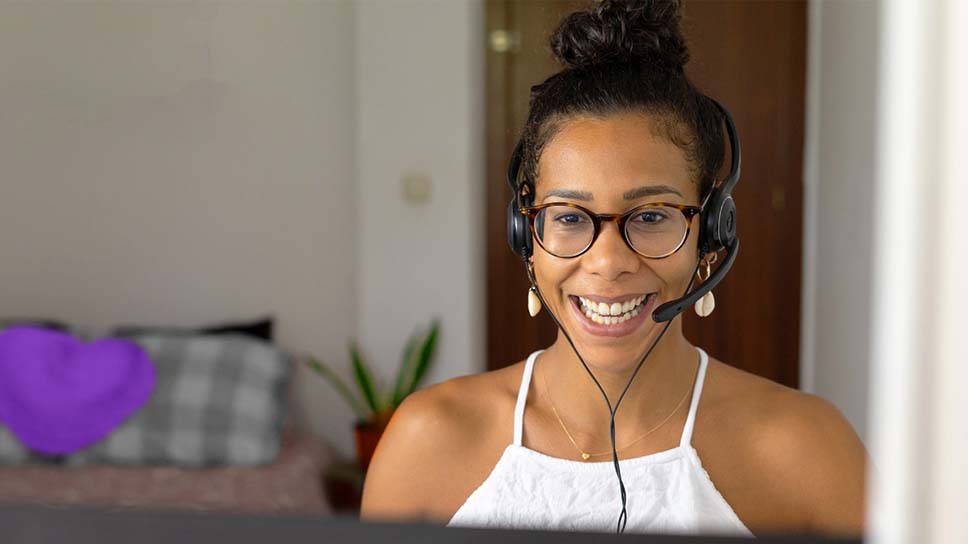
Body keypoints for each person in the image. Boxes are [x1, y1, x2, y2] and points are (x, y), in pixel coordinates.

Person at [361, 0, 867, 537]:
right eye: (570, 217)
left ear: (711, 232)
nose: (608, 263)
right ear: (525, 233)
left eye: (651, 215)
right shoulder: (425, 443)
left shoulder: (810, 452)